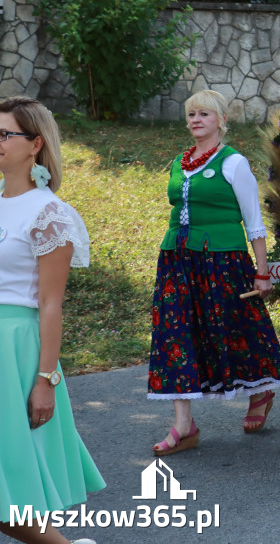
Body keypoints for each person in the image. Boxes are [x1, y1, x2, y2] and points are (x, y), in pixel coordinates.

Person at [148, 89, 280, 455]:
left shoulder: (233, 163)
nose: (196, 120)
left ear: (221, 121)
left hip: (223, 262)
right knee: (175, 331)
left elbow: (254, 221)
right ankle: (184, 424)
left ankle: (259, 392)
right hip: (177, 259)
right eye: (191, 114)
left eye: (204, 114)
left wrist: (262, 271)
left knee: (233, 327)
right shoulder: (178, 163)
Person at [0, 96, 105, 544]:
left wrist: (46, 379)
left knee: (11, 494)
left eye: (5, 134)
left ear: (36, 144)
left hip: (16, 351)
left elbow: (50, 305)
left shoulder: (49, 215)